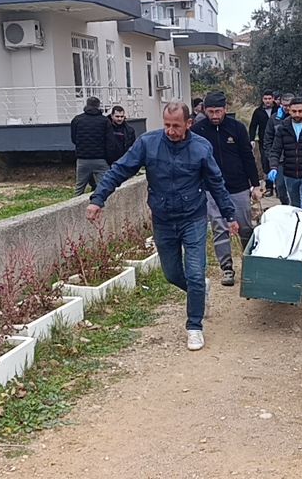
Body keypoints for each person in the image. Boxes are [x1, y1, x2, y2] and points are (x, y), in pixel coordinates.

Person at [86, 102, 239, 352]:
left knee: (194, 272)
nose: (170, 130)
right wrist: (98, 199)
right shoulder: (148, 143)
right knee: (172, 274)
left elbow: (216, 182)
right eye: (166, 125)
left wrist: (229, 215)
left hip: (193, 219)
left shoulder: (201, 148)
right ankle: (200, 291)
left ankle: (194, 327)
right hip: (163, 220)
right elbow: (119, 170)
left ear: (188, 124)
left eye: (176, 126)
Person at [192, 91, 262, 287]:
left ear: (225, 110)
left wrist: (255, 185)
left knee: (245, 226)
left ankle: (251, 262)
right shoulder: (198, 131)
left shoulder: (237, 129)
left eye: (218, 111)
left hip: (237, 186)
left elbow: (248, 158)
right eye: (211, 112)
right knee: (219, 228)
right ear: (204, 110)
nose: (214, 116)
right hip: (211, 189)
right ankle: (227, 268)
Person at [267, 98, 302, 210]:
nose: (297, 114)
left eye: (300, 111)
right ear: (289, 110)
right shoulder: (283, 128)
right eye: (294, 111)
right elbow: (275, 150)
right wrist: (273, 167)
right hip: (290, 174)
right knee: (295, 206)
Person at [71, 96, 115, 196]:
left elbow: (74, 139)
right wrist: (109, 159)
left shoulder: (77, 120)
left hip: (82, 159)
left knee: (79, 188)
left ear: (86, 105)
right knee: (104, 188)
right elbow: (110, 143)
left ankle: (75, 208)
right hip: (100, 159)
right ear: (98, 106)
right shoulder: (104, 121)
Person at [264, 93, 295, 205]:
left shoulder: (298, 118)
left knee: (294, 189)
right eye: (284, 105)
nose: (286, 108)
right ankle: (285, 206)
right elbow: (267, 139)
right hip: (280, 159)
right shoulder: (274, 119)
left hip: (295, 158)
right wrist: (270, 157)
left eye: (289, 105)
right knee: (281, 189)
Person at [249, 89, 279, 197]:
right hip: (263, 142)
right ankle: (269, 187)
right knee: (266, 164)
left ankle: (279, 187)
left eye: (269, 99)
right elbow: (253, 126)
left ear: (273, 99)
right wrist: (251, 139)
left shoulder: (279, 110)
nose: (267, 101)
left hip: (278, 141)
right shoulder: (258, 111)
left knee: (278, 163)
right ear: (262, 99)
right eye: (265, 99)